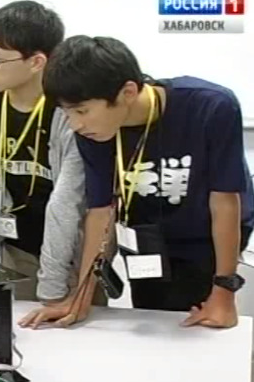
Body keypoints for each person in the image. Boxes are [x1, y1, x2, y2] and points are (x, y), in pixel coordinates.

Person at [41, 35, 254, 328]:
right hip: (146, 239)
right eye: (66, 113)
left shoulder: (210, 107)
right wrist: (80, 298)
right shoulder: (93, 133)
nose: (75, 124)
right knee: (150, 324)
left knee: (201, 330)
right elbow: (101, 212)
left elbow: (225, 201)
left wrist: (224, 291)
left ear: (128, 92)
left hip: (205, 237)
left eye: (81, 111)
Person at [0, 0, 89, 314]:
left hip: (73, 252)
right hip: (16, 247)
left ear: (37, 62)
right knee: (24, 327)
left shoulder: (70, 110)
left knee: (75, 330)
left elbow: (66, 202)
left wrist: (54, 287)